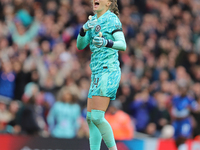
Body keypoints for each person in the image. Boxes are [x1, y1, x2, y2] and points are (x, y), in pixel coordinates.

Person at [76, 0, 126, 150]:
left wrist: (105, 42)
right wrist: (84, 29)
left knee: (97, 116)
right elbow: (80, 45)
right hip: (97, 72)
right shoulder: (93, 21)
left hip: (108, 71)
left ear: (109, 3)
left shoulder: (112, 19)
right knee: (90, 118)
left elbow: (122, 44)